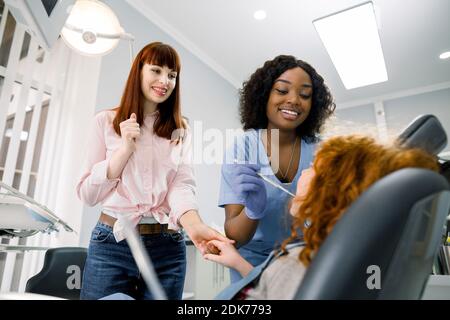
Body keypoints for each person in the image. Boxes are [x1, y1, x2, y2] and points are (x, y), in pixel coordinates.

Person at [76, 42, 232, 300]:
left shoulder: (181, 129)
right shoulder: (105, 122)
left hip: (167, 247)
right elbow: (87, 195)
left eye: (172, 75)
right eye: (156, 70)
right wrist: (123, 151)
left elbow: (181, 184)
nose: (165, 81)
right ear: (138, 71)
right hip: (112, 244)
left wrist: (193, 224)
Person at [208, 135, 440, 299]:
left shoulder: (300, 260)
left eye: (313, 167)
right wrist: (236, 261)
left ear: (335, 191)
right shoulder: (342, 257)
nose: (305, 171)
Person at [218, 55, 335, 282]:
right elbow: (235, 236)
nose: (293, 100)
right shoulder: (244, 147)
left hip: (303, 261)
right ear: (264, 96)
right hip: (251, 264)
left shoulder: (321, 150)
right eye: (282, 90)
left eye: (305, 95)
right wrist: (253, 211)